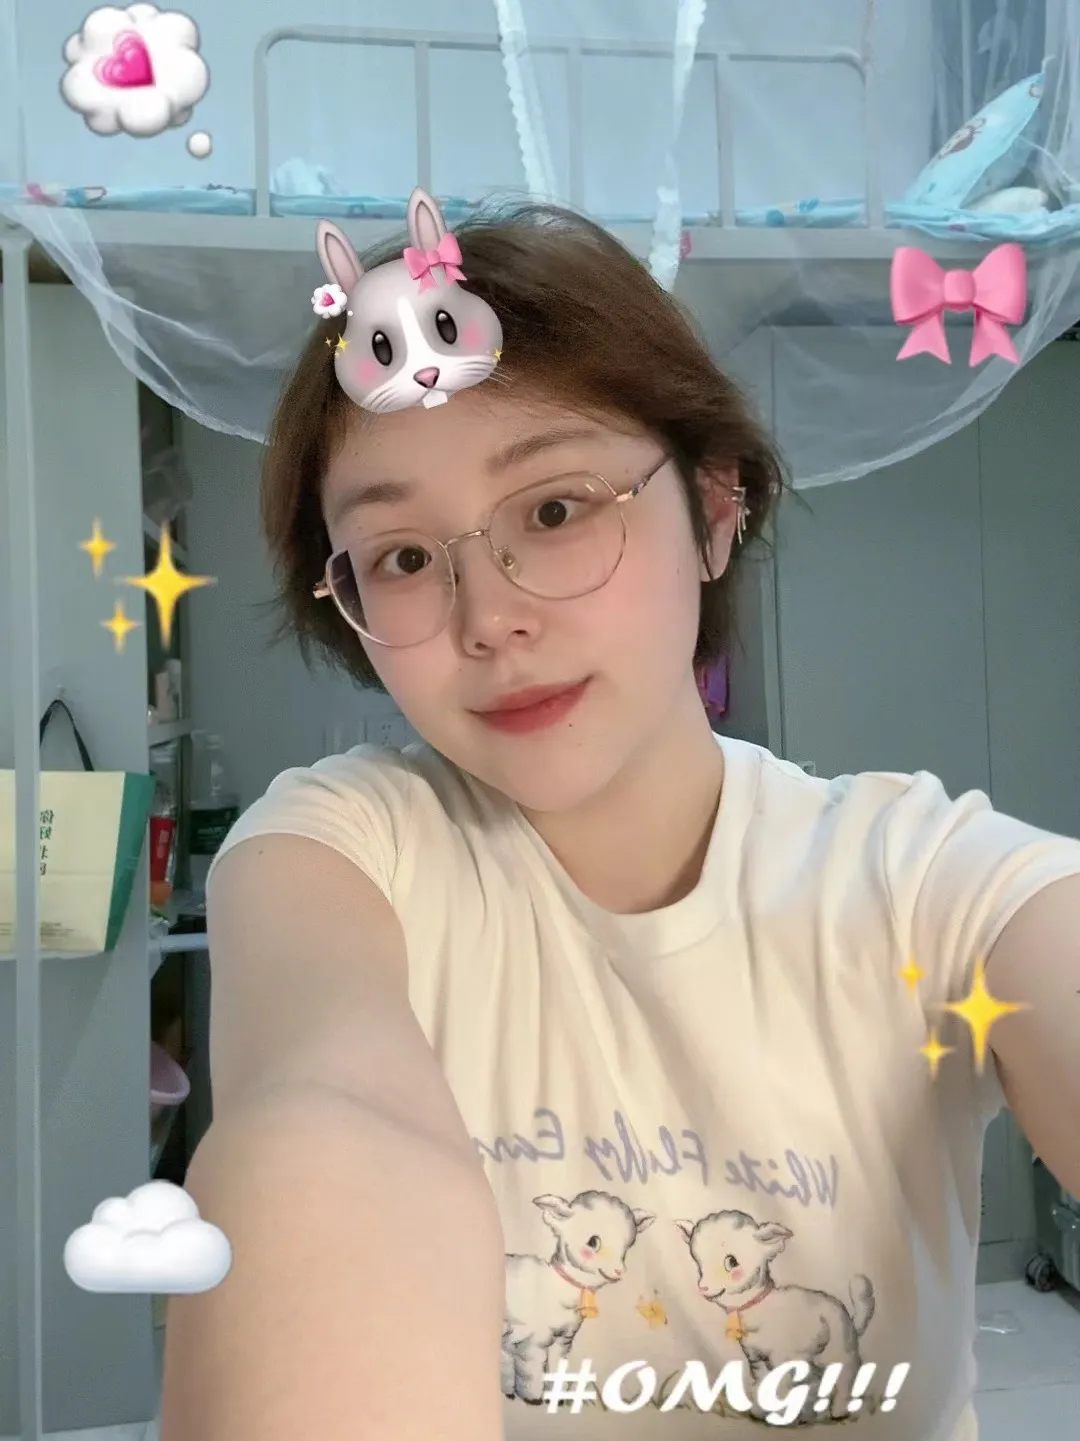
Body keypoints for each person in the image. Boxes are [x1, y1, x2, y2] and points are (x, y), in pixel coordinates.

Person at [160, 198, 1080, 1441]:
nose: (489, 618)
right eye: (405, 558)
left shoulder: (925, 881)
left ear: (714, 506)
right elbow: (322, 1133)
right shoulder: (337, 853)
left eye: (554, 509)